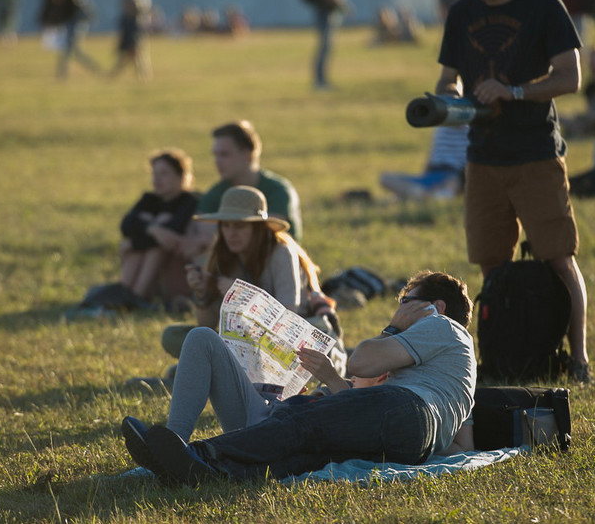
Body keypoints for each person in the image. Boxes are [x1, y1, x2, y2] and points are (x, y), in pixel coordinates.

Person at [122, 270, 476, 484]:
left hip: (404, 412)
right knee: (302, 452)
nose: (398, 307)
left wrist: (393, 327)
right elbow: (462, 447)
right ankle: (198, 465)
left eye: (405, 299)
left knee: (302, 419)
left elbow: (361, 362)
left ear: (435, 307)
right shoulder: (452, 370)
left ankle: (200, 456)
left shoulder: (441, 326)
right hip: (405, 428)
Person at [435, 0, 591, 384]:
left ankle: (578, 357)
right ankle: (504, 355)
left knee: (558, 257)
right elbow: (449, 78)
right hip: (483, 158)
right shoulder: (461, 14)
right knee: (491, 265)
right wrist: (452, 99)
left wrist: (514, 91)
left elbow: (570, 77)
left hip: (535, 152)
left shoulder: (544, 7)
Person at [160, 186, 340, 370]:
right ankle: (215, 367)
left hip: (288, 346)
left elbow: (288, 318)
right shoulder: (224, 255)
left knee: (206, 352)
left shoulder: (281, 252)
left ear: (258, 228)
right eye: (226, 226)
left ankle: (207, 368)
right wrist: (202, 294)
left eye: (240, 226)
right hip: (244, 342)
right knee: (175, 336)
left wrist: (243, 296)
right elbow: (207, 323)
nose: (231, 234)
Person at [181, 120, 302, 261]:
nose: (217, 161)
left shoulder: (278, 190)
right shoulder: (216, 193)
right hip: (231, 266)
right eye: (215, 155)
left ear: (248, 155)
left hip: (274, 266)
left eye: (224, 154)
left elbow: (262, 237)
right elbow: (201, 236)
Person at [119, 149, 199, 304]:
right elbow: (126, 225)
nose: (157, 179)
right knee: (135, 248)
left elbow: (173, 233)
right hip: (149, 260)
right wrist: (154, 228)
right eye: (154, 174)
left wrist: (142, 231)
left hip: (177, 270)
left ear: (181, 176)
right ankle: (126, 293)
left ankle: (135, 297)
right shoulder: (149, 199)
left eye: (164, 174)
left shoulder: (190, 201)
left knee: (152, 249)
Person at [39, 0, 101, 79]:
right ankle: (62, 74)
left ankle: (93, 69)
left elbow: (86, 13)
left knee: (72, 51)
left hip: (76, 26)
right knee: (71, 51)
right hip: (70, 25)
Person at [380, 124, 468, 200]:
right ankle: (425, 195)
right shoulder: (440, 128)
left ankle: (427, 196)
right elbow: (433, 155)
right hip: (434, 173)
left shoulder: (470, 128)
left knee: (454, 182)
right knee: (385, 178)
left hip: (455, 174)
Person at [111, 0, 153, 80]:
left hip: (137, 24)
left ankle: (142, 75)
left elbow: (143, 7)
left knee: (136, 51)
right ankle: (141, 75)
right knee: (131, 52)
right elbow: (131, 7)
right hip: (130, 24)